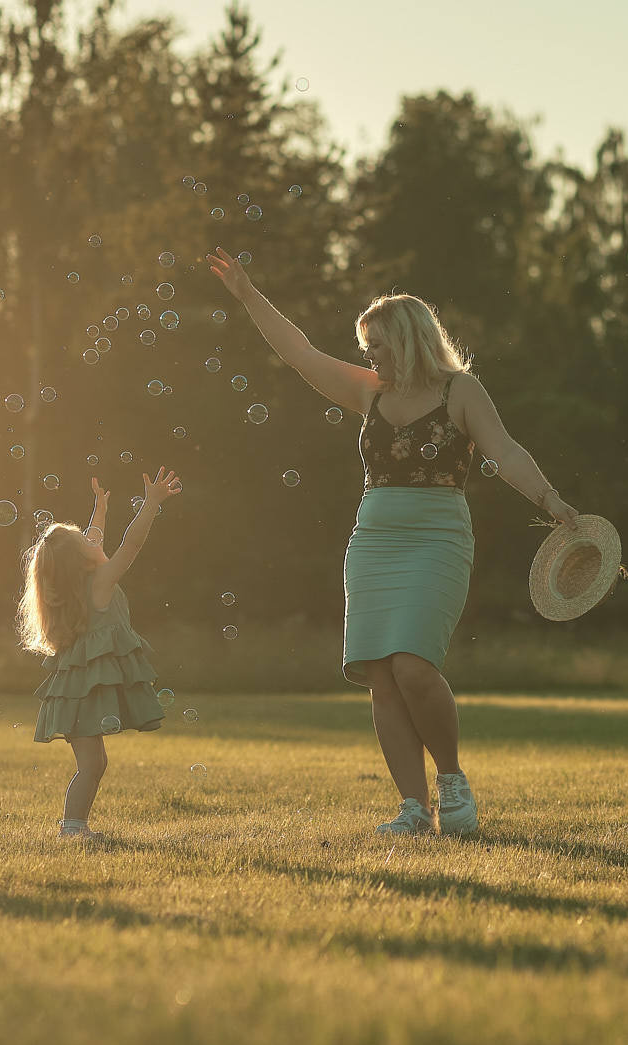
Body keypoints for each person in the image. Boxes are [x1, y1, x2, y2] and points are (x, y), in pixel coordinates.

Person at [205, 247, 578, 836]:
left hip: (437, 538)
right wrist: (249, 295)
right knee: (381, 676)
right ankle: (413, 807)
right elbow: (301, 355)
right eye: (366, 346)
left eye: (377, 344)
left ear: (408, 339)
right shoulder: (370, 393)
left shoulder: (460, 391)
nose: (369, 355)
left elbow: (505, 452)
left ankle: (451, 781)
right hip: (373, 541)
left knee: (413, 666)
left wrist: (551, 501)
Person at [19, 469, 184, 840]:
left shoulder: (75, 590)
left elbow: (94, 539)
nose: (94, 539)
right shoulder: (101, 583)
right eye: (87, 540)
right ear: (82, 560)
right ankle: (72, 829)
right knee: (93, 765)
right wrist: (151, 504)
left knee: (93, 764)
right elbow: (131, 545)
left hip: (72, 695)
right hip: (88, 693)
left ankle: (74, 827)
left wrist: (101, 510)